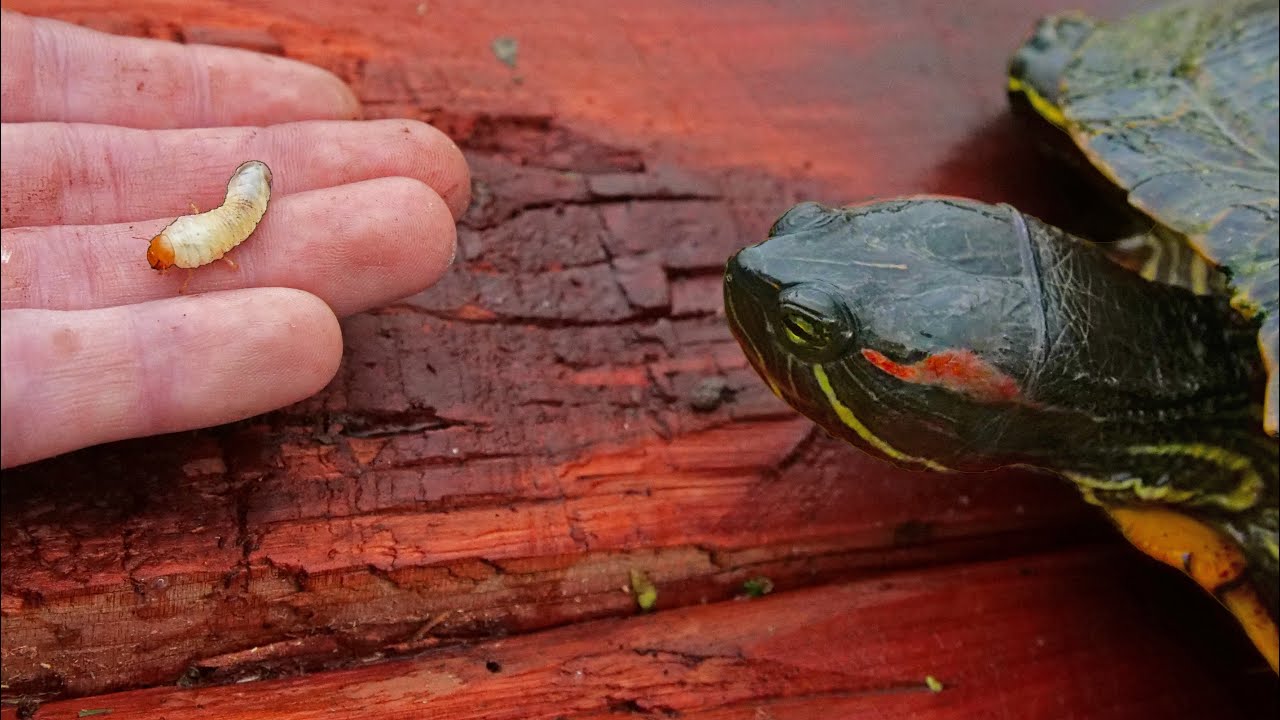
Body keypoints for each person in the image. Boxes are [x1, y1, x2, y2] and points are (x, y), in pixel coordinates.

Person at [0, 10, 471, 468]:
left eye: (161, 257)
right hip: (228, 217)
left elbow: (218, 232)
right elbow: (210, 238)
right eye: (163, 257)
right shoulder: (191, 244)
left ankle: (251, 188)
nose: (158, 264)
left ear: (177, 239)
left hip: (237, 209)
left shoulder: (198, 242)